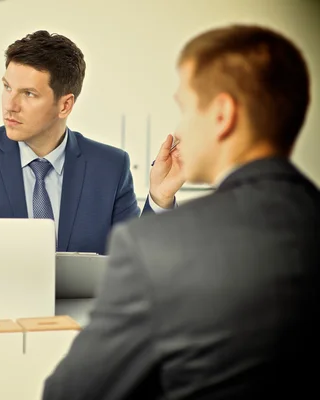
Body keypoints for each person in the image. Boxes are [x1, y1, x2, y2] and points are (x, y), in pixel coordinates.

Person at [42, 24, 319, 399]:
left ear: (222, 115)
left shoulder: (156, 247)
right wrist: (159, 196)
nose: (180, 127)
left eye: (186, 108)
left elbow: (72, 393)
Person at [0, 30, 184, 254]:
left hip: (81, 311)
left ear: (65, 105)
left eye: (28, 93)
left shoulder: (110, 167)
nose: (10, 106)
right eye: (7, 88)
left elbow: (134, 262)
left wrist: (160, 198)